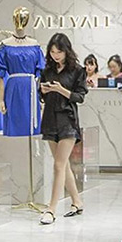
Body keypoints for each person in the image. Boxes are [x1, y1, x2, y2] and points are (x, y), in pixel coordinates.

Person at [39, 33, 89, 224]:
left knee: (58, 165)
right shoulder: (47, 70)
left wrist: (62, 90)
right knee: (63, 164)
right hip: (50, 119)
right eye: (52, 52)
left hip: (67, 120)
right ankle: (77, 201)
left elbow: (80, 97)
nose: (55, 56)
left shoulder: (77, 71)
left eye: (59, 52)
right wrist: (43, 91)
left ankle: (51, 209)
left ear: (66, 51)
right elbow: (42, 96)